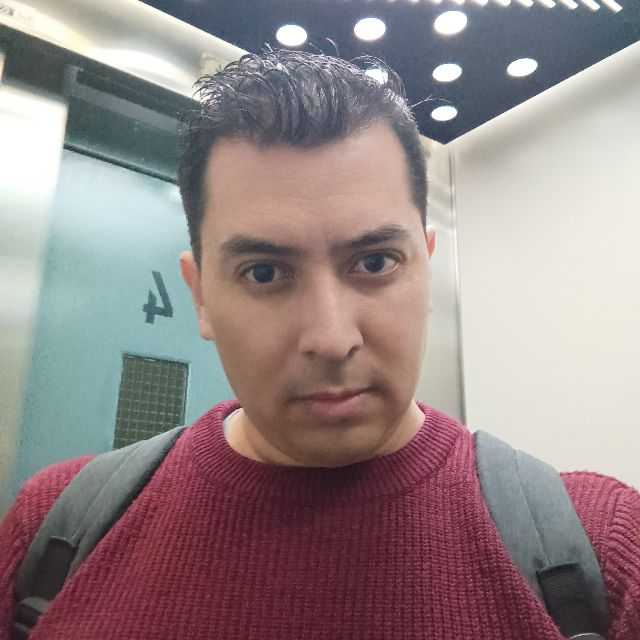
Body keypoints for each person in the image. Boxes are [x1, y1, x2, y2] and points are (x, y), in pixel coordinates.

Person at [1, 49, 639, 639]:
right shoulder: (51, 533)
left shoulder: (603, 552)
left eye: (375, 262)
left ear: (426, 267)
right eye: (264, 273)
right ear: (200, 297)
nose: (332, 340)